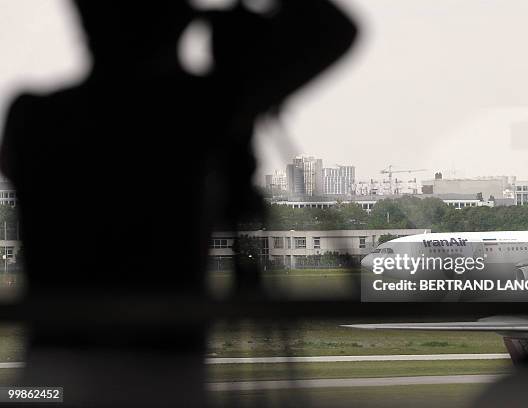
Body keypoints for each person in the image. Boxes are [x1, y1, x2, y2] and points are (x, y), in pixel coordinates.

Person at [1, 0, 357, 405]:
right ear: (172, 24)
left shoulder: (32, 117)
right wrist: (232, 39)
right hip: (163, 376)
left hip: (46, 380)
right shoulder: (188, 111)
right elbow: (331, 26)